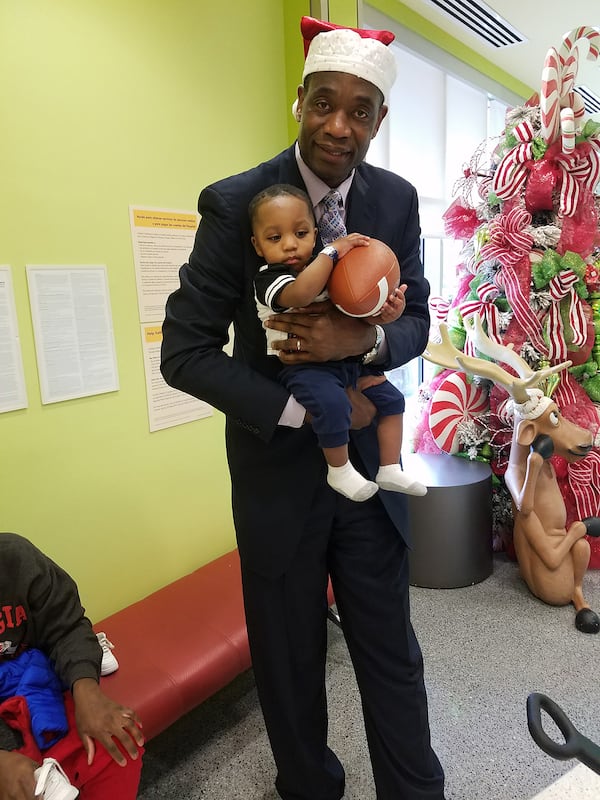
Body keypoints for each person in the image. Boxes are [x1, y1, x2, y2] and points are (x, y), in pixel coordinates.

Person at [161, 14, 445, 800]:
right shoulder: (236, 203)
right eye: (325, 103)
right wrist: (307, 414)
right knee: (287, 664)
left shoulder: (393, 199)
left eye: (360, 111)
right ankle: (310, 788)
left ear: (379, 121)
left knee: (392, 648)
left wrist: (365, 352)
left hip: (368, 477)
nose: (339, 126)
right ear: (299, 100)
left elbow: (418, 315)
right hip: (278, 479)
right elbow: (182, 353)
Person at [251, 183, 427, 501]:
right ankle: (340, 471)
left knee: (392, 399)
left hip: (346, 363)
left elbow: (352, 315)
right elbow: (302, 293)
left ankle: (389, 468)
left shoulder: (321, 271)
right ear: (258, 245)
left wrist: (386, 313)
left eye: (301, 234)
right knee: (332, 406)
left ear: (315, 232)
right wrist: (332, 252)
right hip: (304, 368)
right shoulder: (270, 277)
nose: (290, 245)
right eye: (275, 238)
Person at [0, 532, 144, 800]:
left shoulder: (15, 557)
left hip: (34, 684)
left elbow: (66, 627)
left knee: (115, 741)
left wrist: (86, 690)